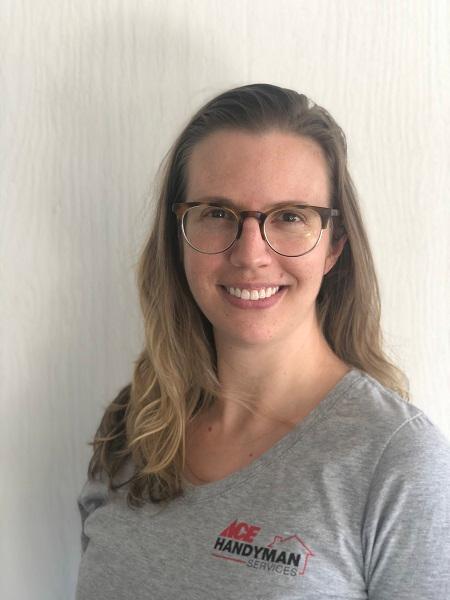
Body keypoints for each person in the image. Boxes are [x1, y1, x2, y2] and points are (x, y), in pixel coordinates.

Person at [75, 84, 450, 600]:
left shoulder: (397, 461)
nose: (251, 255)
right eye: (217, 213)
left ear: (334, 246)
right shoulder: (134, 424)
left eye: (291, 216)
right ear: (178, 237)